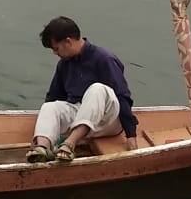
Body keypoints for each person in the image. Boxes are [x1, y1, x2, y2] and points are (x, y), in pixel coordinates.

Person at [27, 16, 138, 163]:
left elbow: (122, 96)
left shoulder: (104, 59)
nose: (55, 53)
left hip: (108, 120)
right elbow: (54, 96)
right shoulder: (64, 65)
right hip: (80, 119)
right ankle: (42, 149)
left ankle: (69, 144)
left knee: (97, 89)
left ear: (68, 41)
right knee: (49, 106)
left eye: (56, 48)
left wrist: (131, 135)